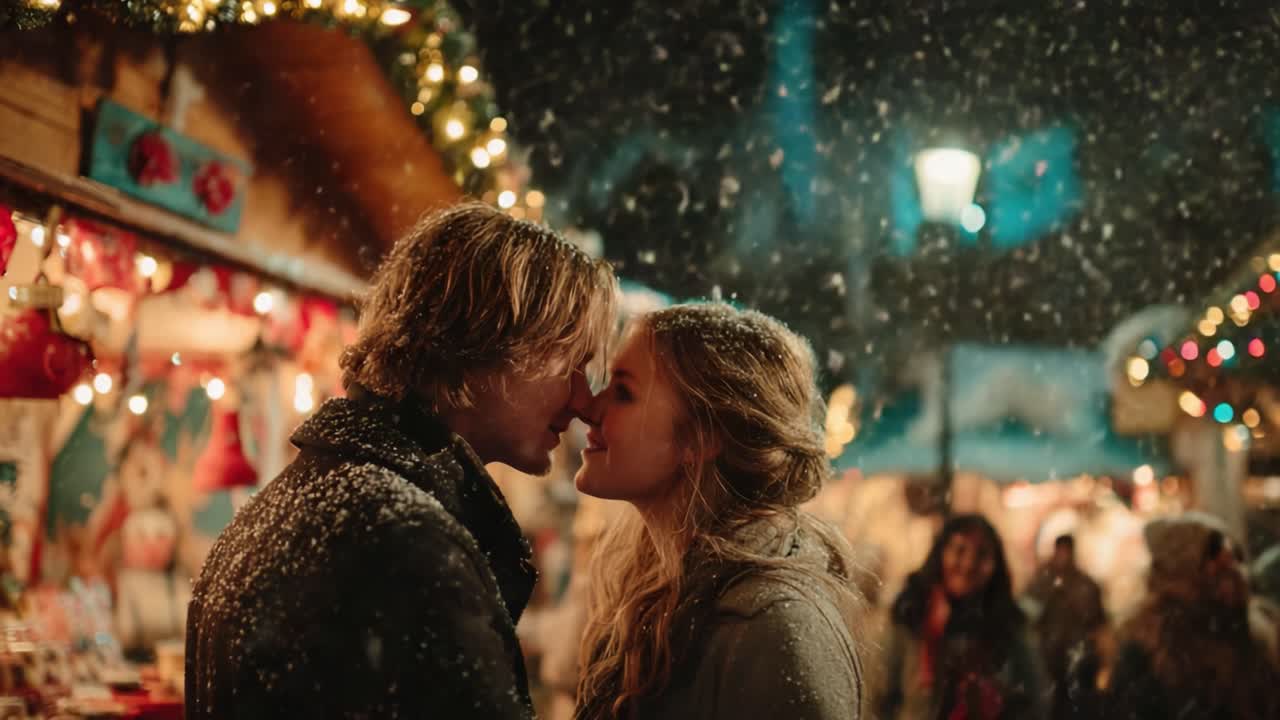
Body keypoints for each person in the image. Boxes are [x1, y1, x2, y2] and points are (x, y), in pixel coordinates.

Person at [185, 203, 618, 719]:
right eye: (569, 362)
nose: (581, 399)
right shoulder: (408, 542)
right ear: (486, 338)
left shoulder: (300, 500)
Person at [572, 302, 865, 720]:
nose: (589, 408)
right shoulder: (662, 590)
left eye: (623, 392)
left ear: (702, 436)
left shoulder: (772, 626)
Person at [1105, 512, 1280, 720]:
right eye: (1212, 552)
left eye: (1231, 553)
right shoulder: (1147, 649)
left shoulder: (1261, 630)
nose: (1228, 561)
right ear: (1180, 570)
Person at [875, 514, 1044, 720]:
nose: (969, 564)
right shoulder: (912, 612)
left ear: (995, 565)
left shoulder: (1009, 622)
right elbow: (880, 696)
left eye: (982, 554)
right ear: (941, 554)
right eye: (959, 550)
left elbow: (1034, 698)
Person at [1022, 534, 1107, 720]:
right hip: (1048, 659)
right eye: (1061, 551)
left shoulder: (1086, 585)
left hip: (1080, 660)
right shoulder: (1041, 583)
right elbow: (1026, 617)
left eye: (1067, 551)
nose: (1064, 556)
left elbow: (1098, 624)